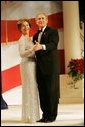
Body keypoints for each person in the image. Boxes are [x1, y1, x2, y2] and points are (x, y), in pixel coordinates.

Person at [33, 13, 60, 123]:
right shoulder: (35, 35)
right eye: (38, 19)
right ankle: (45, 115)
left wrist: (42, 46)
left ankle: (52, 116)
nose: (40, 20)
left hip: (51, 67)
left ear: (47, 20)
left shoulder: (53, 31)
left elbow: (53, 44)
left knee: (51, 92)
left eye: (42, 18)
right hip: (39, 68)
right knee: (42, 92)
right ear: (36, 21)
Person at [17, 19, 40, 123]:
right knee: (29, 88)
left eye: (27, 25)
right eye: (23, 26)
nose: (26, 27)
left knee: (33, 88)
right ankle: (30, 116)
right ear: (20, 29)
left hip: (33, 63)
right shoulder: (21, 39)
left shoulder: (30, 38)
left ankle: (34, 114)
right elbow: (22, 54)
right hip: (27, 64)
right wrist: (32, 49)